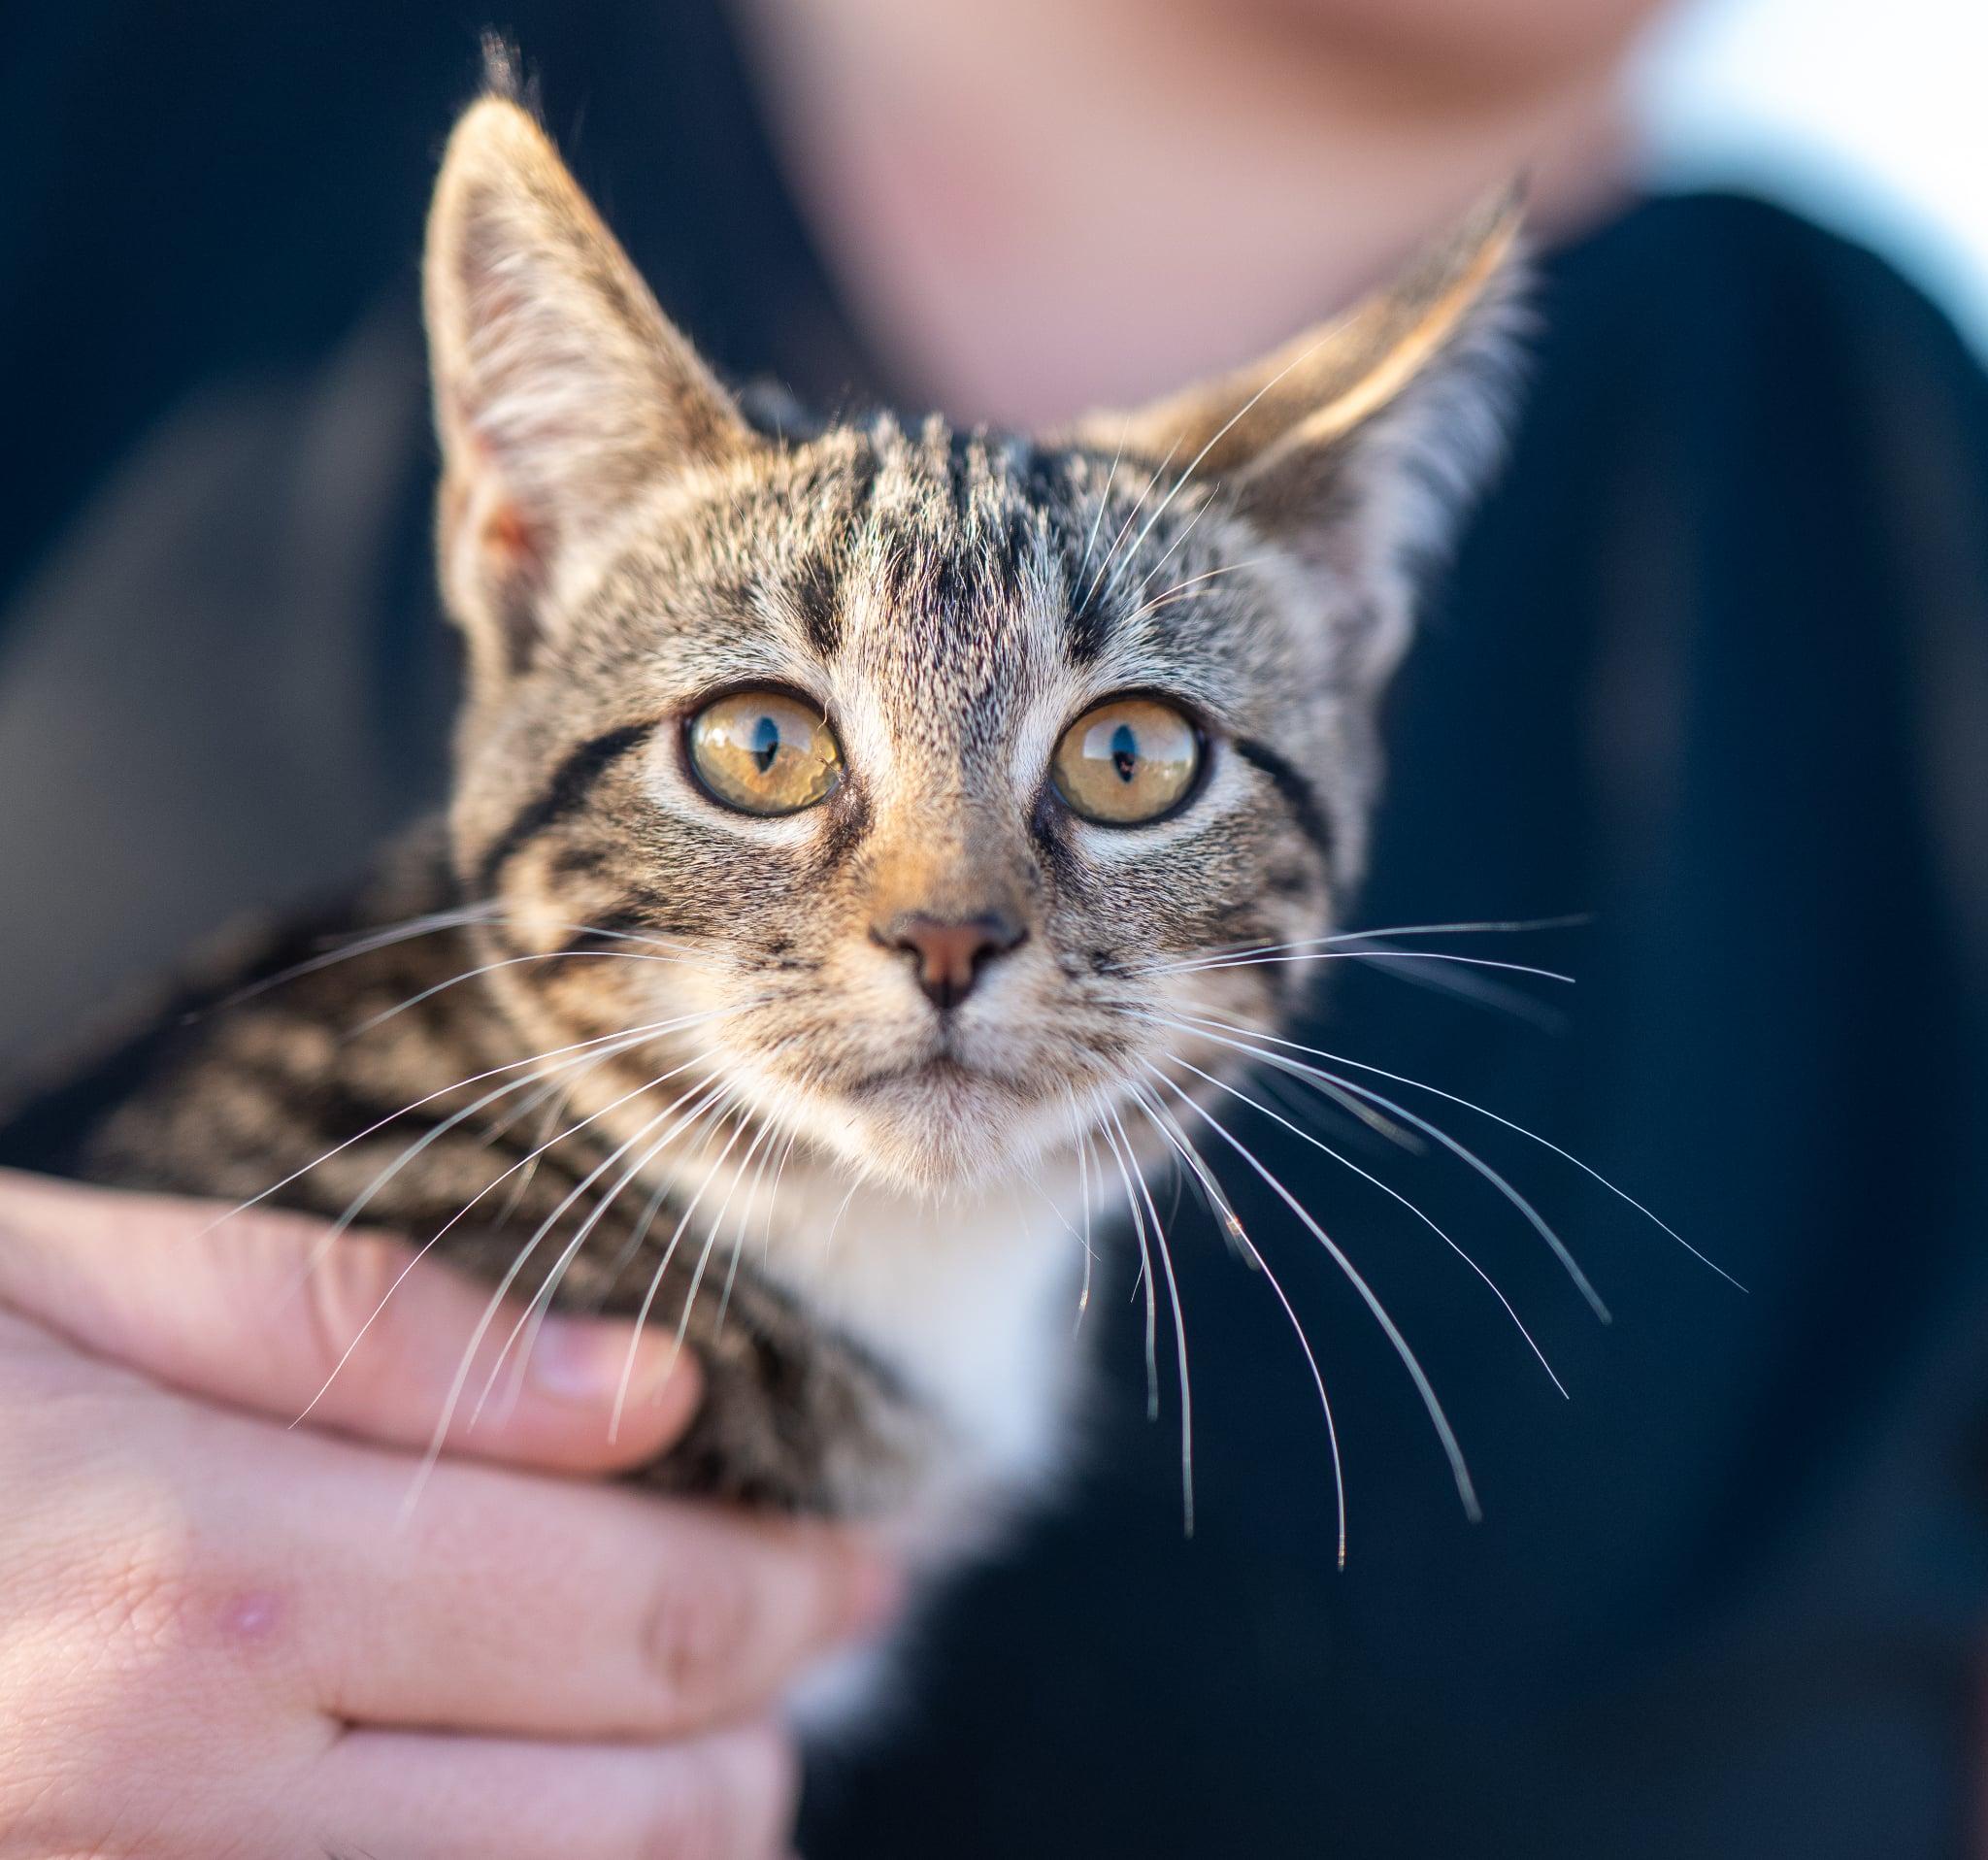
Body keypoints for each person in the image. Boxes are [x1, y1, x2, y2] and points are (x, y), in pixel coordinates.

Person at [2, 2, 1983, 1855]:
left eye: (1125, 766)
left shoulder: (1896, 470)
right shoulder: (133, 82)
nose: (945, 919)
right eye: (766, 745)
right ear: (524, 554)